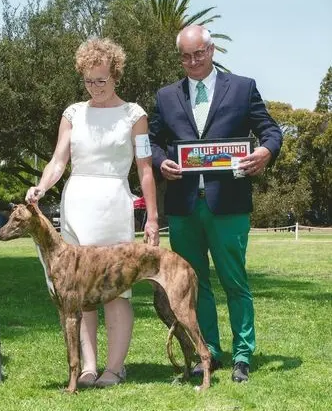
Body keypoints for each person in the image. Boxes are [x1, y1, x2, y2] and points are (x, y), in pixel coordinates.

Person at [149, 25, 283, 383]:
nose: (193, 62)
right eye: (185, 56)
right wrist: (160, 160)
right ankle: (208, 352)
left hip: (230, 205)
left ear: (212, 51)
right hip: (184, 207)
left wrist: (265, 151)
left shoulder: (242, 87)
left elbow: (271, 130)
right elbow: (151, 139)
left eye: (199, 54)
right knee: (194, 285)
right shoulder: (166, 96)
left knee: (235, 282)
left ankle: (242, 355)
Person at [25, 38, 159, 388]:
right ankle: (88, 366)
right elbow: (58, 160)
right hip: (76, 203)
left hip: (115, 202)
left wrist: (154, 219)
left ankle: (115, 368)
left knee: (117, 291)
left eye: (101, 80)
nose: (94, 87)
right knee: (78, 291)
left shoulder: (135, 115)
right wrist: (41, 186)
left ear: (116, 75)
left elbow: (145, 169)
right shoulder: (72, 113)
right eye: (88, 80)